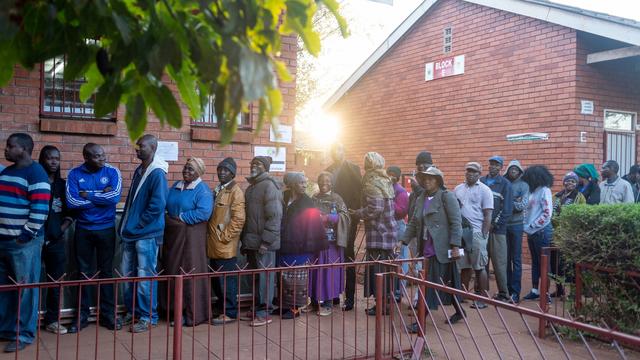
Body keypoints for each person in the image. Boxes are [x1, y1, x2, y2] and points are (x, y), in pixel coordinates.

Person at [0, 133, 50, 352]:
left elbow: (40, 210)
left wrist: (25, 236)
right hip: (3, 240)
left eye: (10, 146)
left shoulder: (36, 173)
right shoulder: (7, 172)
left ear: (23, 149)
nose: (6, 150)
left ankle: (24, 334)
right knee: (6, 290)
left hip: (23, 244)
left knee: (26, 290)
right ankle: (6, 329)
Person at [66, 143, 122, 333]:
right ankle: (81, 316)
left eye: (103, 154)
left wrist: (87, 195)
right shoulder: (74, 174)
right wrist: (100, 196)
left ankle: (108, 315)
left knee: (106, 272)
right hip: (83, 230)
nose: (103, 158)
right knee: (83, 272)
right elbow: (72, 202)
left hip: (106, 229)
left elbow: (114, 197)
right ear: (86, 157)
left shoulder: (113, 172)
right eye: (98, 156)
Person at [401, 166, 466, 329]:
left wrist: (456, 245)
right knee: (448, 283)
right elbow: (414, 222)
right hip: (426, 246)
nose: (427, 181)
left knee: (429, 285)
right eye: (425, 178)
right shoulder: (421, 197)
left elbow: (456, 223)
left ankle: (421, 323)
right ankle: (460, 311)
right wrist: (403, 241)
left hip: (442, 248)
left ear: (438, 181)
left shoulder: (447, 197)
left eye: (431, 178)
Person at [119, 134, 168, 333]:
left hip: (146, 234)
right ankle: (133, 311)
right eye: (138, 146)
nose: (137, 149)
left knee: (145, 277)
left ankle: (148, 317)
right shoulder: (140, 170)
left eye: (142, 146)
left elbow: (157, 205)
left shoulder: (157, 173)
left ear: (153, 148)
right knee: (127, 275)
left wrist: (138, 224)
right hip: (132, 232)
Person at [162, 158, 213, 326]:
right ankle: (172, 310)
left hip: (192, 236)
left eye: (191, 169)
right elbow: (166, 204)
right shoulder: (176, 186)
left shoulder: (202, 190)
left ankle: (191, 313)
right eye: (185, 168)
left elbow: (204, 213)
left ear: (198, 172)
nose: (186, 172)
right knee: (173, 269)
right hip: (173, 236)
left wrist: (181, 218)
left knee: (189, 271)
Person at [351, 152, 397, 316]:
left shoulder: (372, 182)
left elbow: (375, 208)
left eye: (366, 163)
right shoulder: (385, 180)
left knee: (378, 272)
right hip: (389, 233)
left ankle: (381, 306)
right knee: (387, 271)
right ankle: (387, 304)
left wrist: (358, 213)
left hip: (378, 235)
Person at [278, 173, 327, 319]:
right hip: (283, 243)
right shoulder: (284, 197)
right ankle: (284, 305)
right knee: (283, 276)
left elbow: (313, 225)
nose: (305, 185)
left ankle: (295, 308)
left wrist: (309, 245)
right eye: (301, 183)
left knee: (296, 279)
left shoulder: (307, 202)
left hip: (300, 246)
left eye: (306, 183)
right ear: (292, 184)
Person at [241, 156, 283, 327]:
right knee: (256, 278)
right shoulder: (251, 188)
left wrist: (266, 242)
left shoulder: (269, 186)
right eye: (252, 164)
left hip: (264, 244)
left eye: (257, 164)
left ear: (265, 168)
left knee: (266, 277)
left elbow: (275, 216)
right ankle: (257, 308)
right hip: (251, 242)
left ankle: (265, 312)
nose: (253, 166)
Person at [38, 146, 74, 335]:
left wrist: (58, 231)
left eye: (56, 158)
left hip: (56, 242)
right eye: (49, 158)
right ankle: (27, 320)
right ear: (41, 159)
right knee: (30, 281)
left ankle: (52, 320)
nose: (53, 162)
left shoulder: (63, 185)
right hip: (34, 240)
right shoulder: (35, 182)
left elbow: (70, 214)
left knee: (55, 282)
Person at [207, 157, 245, 325]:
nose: (222, 172)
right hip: (213, 245)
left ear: (232, 173)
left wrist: (224, 237)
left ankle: (229, 312)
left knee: (226, 281)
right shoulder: (218, 189)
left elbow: (238, 220)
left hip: (224, 246)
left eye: (226, 170)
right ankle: (221, 308)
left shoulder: (236, 192)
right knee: (217, 280)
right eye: (220, 169)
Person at [325, 143, 362, 311]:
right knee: (333, 255)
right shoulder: (329, 169)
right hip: (332, 219)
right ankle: (333, 295)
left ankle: (350, 298)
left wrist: (354, 212)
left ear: (343, 151)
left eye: (338, 149)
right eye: (333, 150)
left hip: (348, 219)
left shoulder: (353, 168)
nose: (336, 153)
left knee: (348, 256)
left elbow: (359, 191)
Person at [310, 172, 350, 316]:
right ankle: (314, 302)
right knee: (315, 271)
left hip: (331, 243)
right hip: (315, 241)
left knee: (329, 272)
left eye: (327, 181)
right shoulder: (314, 198)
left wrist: (328, 217)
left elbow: (345, 216)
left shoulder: (337, 198)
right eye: (321, 180)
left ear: (332, 183)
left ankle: (328, 303)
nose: (324, 183)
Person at [454, 162, 492, 309]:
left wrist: (483, 235)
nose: (470, 173)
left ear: (479, 174)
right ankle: (462, 294)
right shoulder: (458, 189)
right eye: (468, 171)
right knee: (464, 266)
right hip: (461, 232)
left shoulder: (485, 190)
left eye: (474, 172)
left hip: (476, 232)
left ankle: (482, 298)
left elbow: (488, 214)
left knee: (479, 266)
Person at [480, 156, 512, 302]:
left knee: (499, 263)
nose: (493, 167)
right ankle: (482, 292)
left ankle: (503, 294)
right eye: (491, 164)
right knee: (482, 262)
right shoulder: (481, 181)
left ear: (501, 168)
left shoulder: (505, 184)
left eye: (496, 165)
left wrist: (494, 224)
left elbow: (507, 210)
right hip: (480, 228)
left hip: (497, 231)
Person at [550, 171, 586, 298]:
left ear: (576, 184)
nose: (569, 183)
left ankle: (573, 293)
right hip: (556, 236)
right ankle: (559, 289)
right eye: (567, 180)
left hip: (570, 236)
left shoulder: (580, 197)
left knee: (570, 265)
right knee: (556, 264)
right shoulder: (556, 196)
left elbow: (581, 215)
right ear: (563, 182)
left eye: (573, 181)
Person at [521, 165, 554, 303]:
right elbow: (526, 210)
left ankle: (545, 293)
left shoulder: (544, 191)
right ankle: (535, 291)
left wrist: (532, 226)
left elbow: (547, 213)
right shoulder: (531, 191)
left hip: (542, 232)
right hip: (531, 232)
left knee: (544, 264)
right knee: (535, 262)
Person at [503, 160, 529, 304]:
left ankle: (515, 292)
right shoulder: (505, 184)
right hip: (504, 226)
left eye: (516, 169)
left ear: (520, 171)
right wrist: (513, 200)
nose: (513, 171)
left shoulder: (524, 185)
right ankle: (506, 291)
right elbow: (499, 203)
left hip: (517, 226)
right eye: (511, 169)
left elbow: (522, 205)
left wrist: (508, 202)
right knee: (505, 260)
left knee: (516, 260)